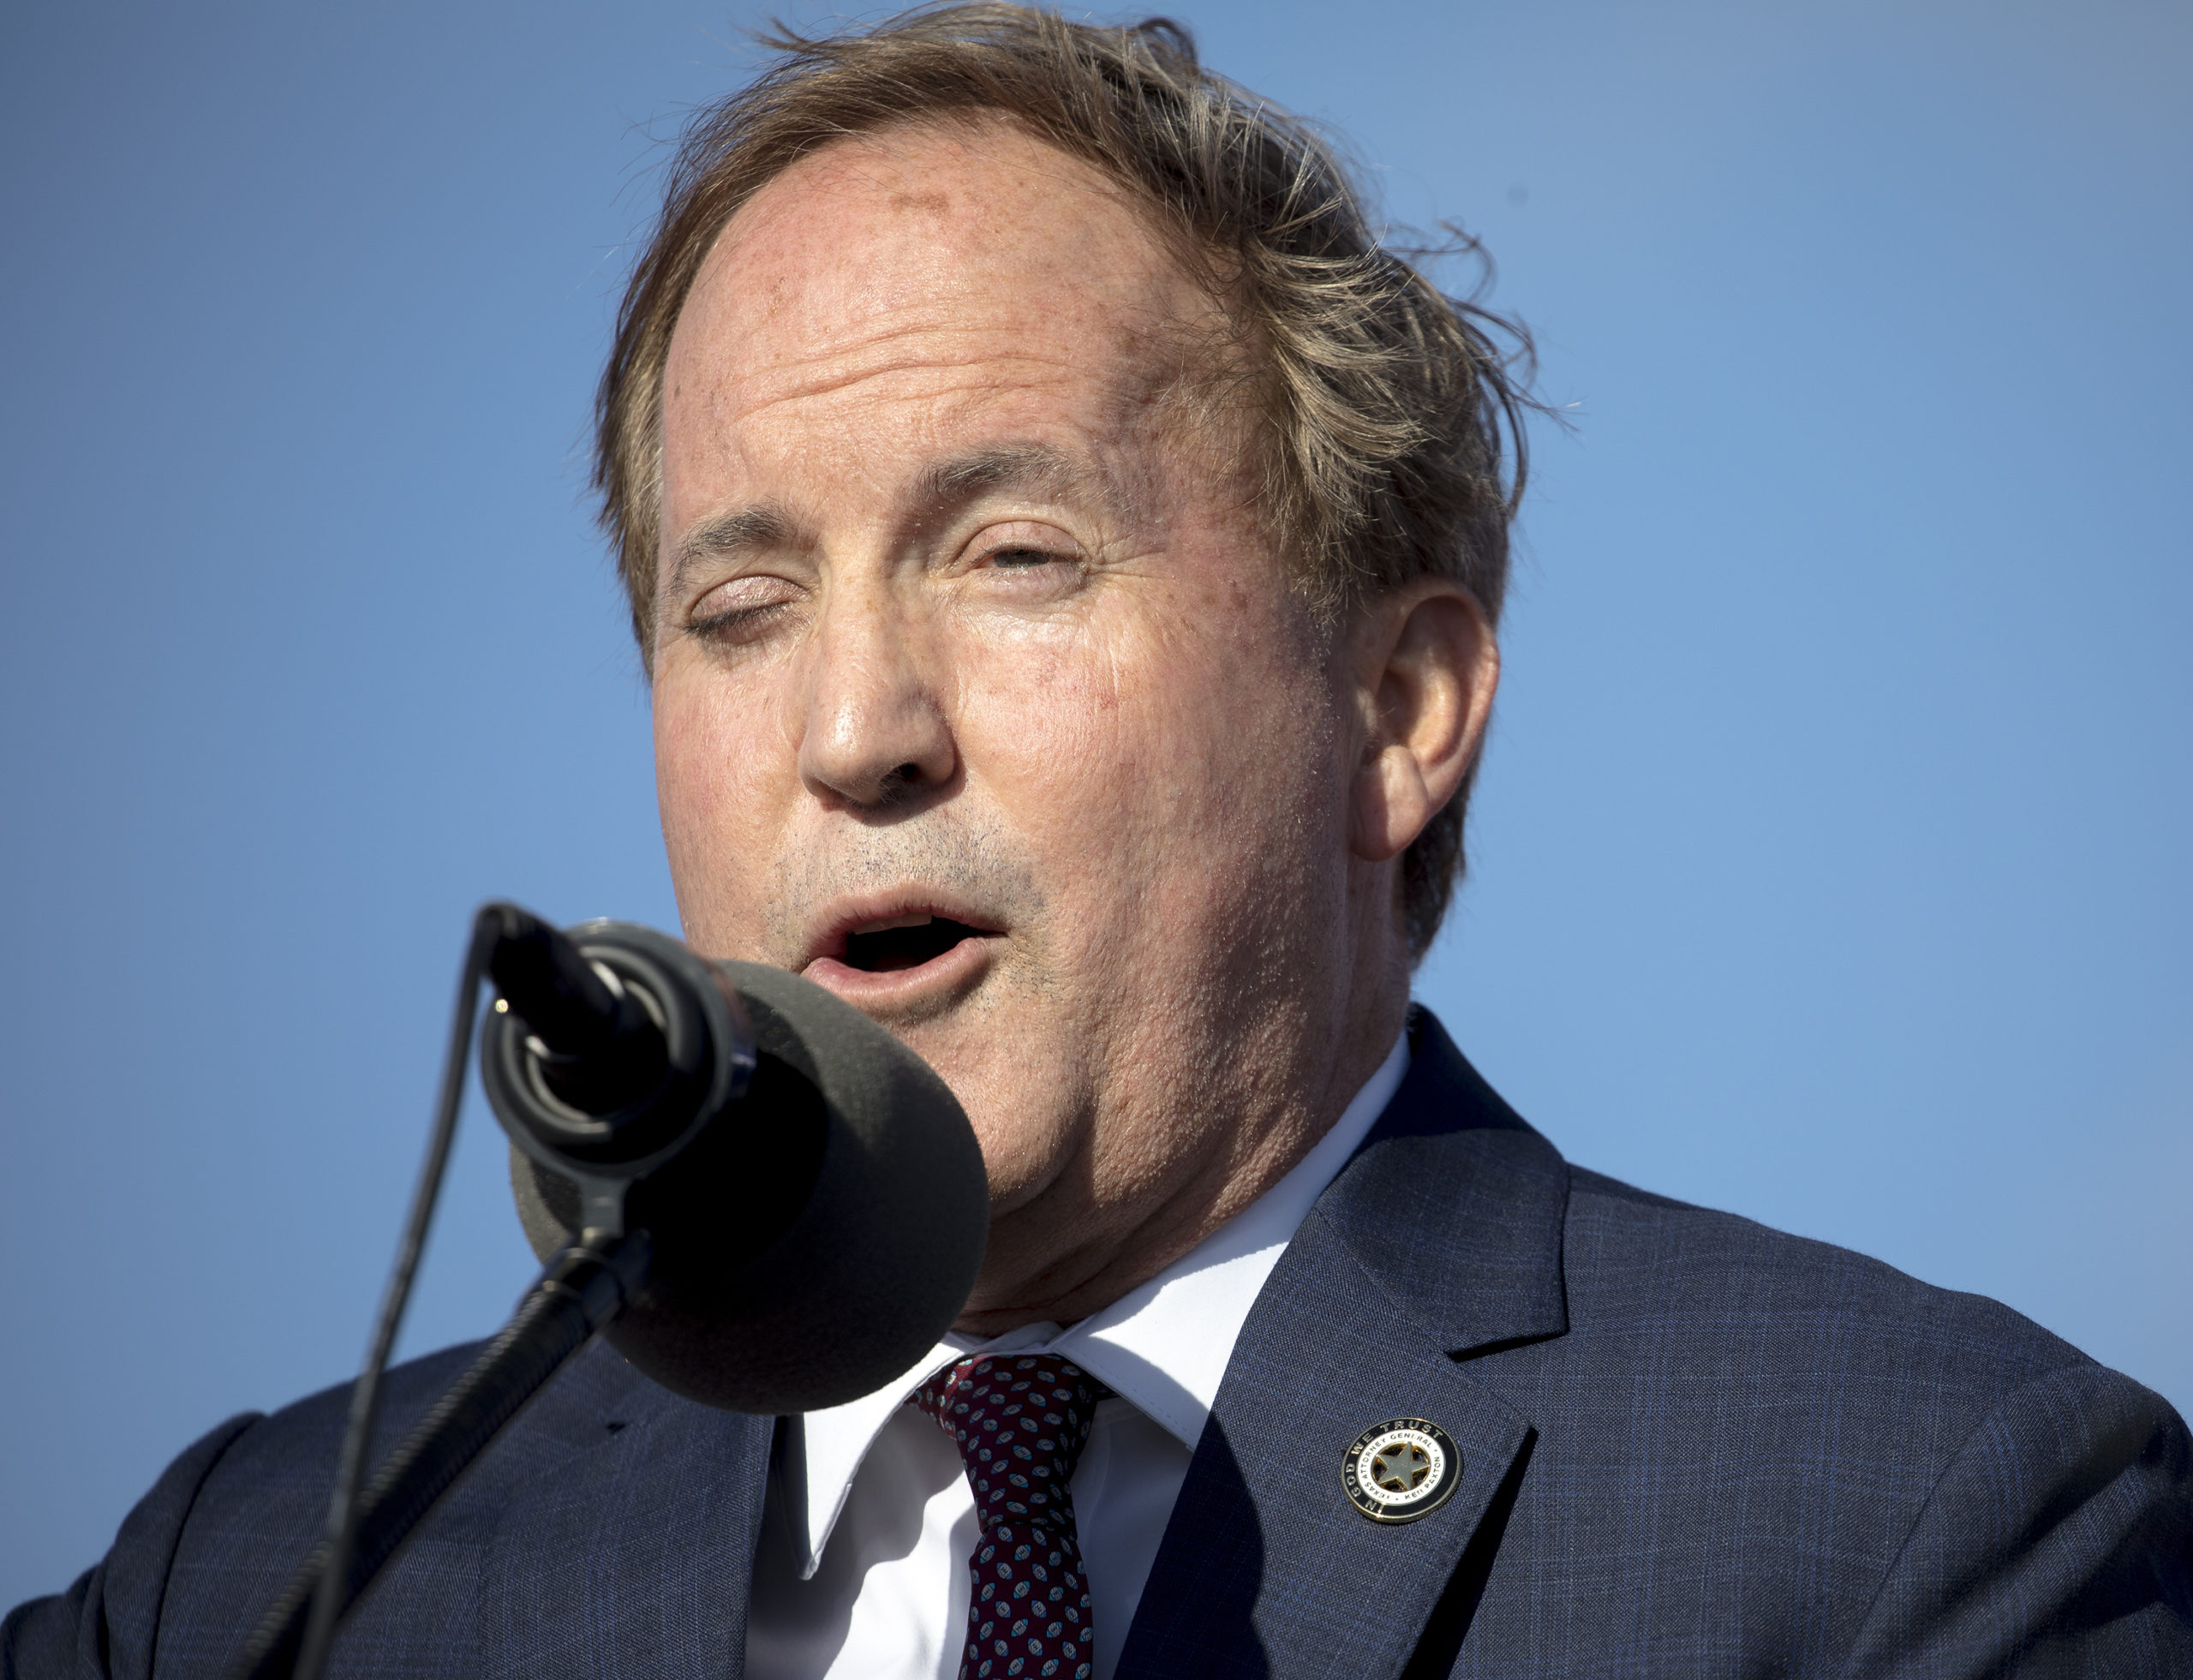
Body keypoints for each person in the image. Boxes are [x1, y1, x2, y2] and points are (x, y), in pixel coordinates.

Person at [7, 7, 2188, 1677]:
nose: (853, 732)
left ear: (1395, 708)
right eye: (737, 609)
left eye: (1015, 556)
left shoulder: (1912, 1520)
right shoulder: (268, 1583)